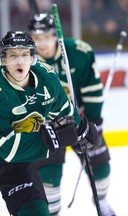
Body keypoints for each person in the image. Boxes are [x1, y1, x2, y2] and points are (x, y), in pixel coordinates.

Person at [0, 31, 98, 216]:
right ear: (3, 59)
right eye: (13, 55)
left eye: (25, 54)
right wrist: (53, 140)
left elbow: (64, 110)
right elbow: (9, 149)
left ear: (33, 57)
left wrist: (80, 129)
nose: (20, 61)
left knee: (35, 212)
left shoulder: (47, 77)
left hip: (15, 164)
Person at [28, 13, 115, 216]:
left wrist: (94, 123)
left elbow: (93, 90)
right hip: (46, 125)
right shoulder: (26, 60)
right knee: (48, 173)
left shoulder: (78, 51)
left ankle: (102, 202)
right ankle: (51, 212)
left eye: (46, 37)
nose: (42, 43)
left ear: (55, 35)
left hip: (80, 119)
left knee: (100, 166)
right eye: (36, 38)